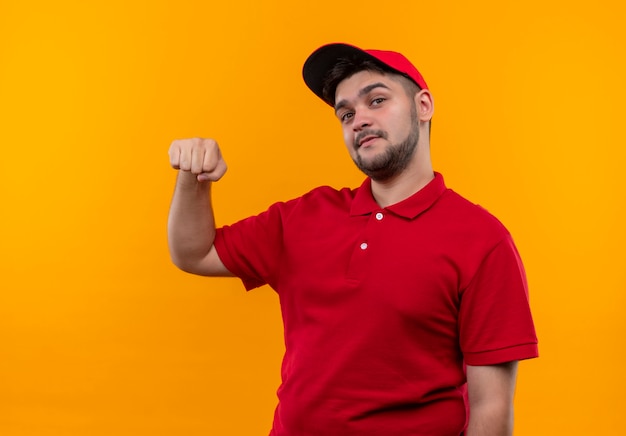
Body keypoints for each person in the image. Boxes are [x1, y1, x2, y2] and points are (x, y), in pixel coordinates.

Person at [167, 43, 538, 436]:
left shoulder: (482, 239)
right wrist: (194, 180)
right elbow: (195, 253)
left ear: (423, 107)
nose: (358, 119)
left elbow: (491, 410)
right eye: (346, 113)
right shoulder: (303, 216)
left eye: (376, 100)